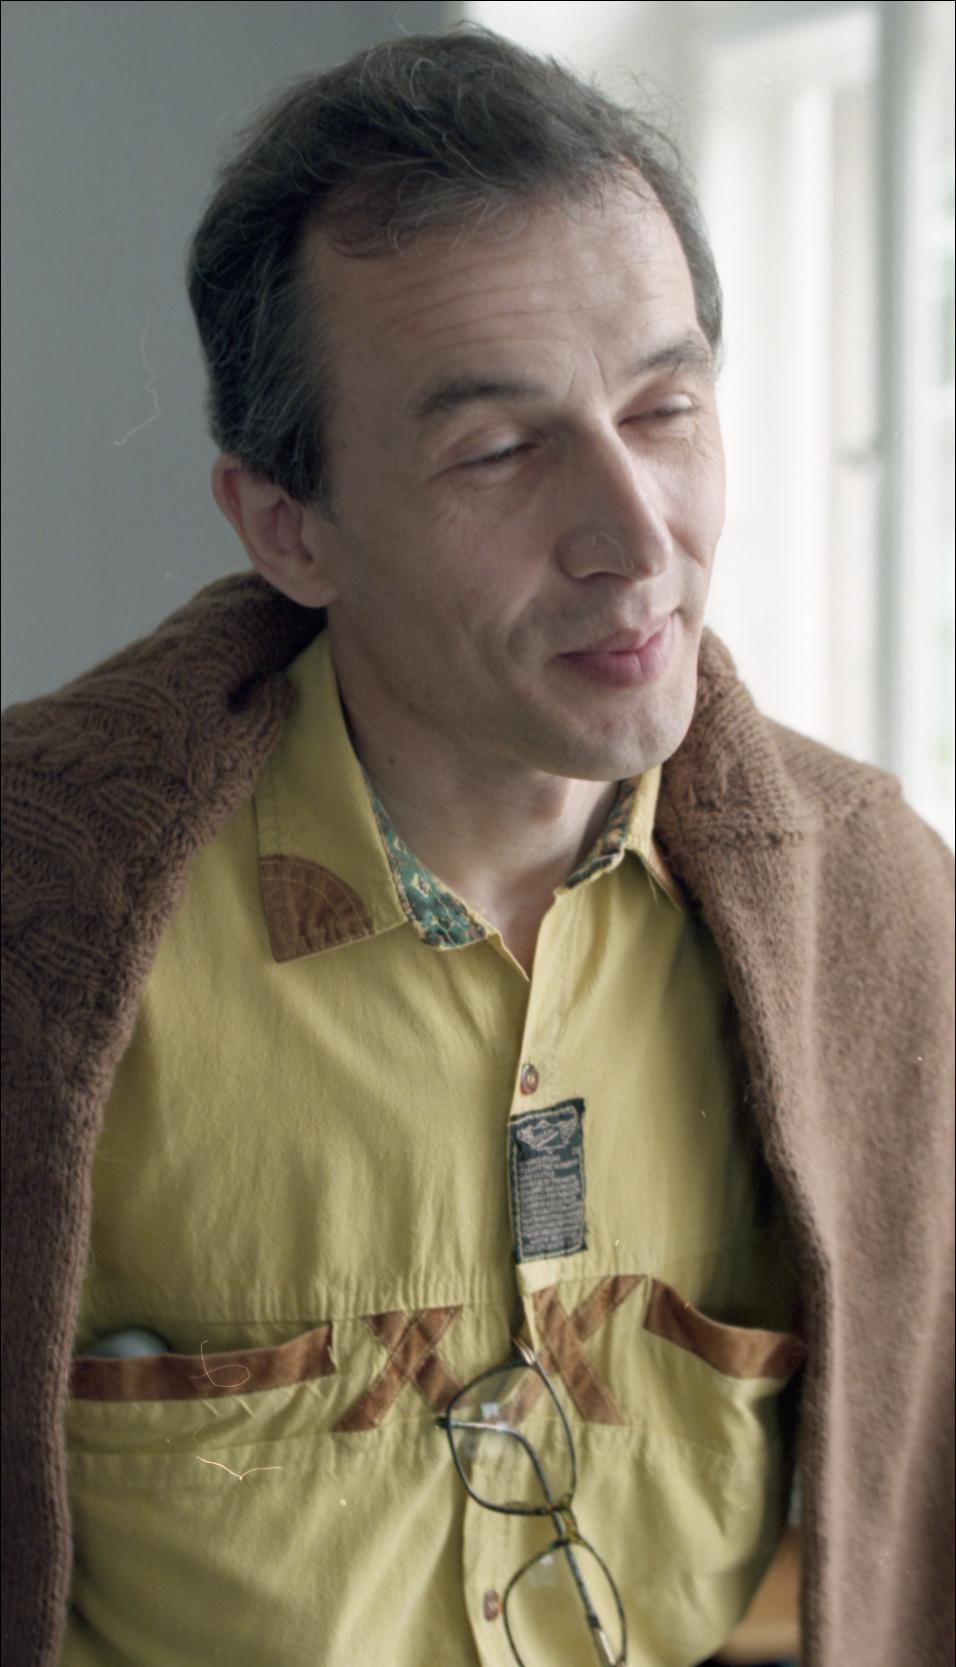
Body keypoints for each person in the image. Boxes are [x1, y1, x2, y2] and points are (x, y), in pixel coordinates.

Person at [1, 26, 952, 1667]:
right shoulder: (43, 922)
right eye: (502, 452)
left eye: (665, 408)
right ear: (290, 527)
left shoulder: (876, 914)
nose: (636, 540)